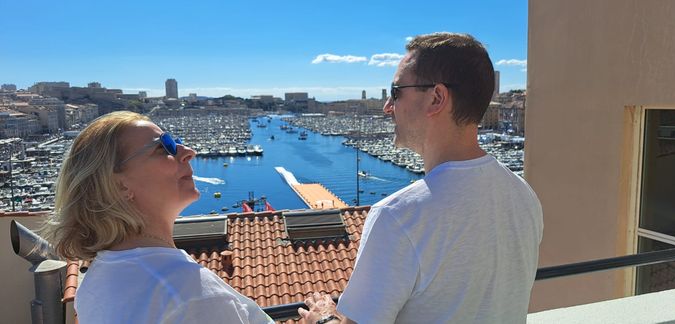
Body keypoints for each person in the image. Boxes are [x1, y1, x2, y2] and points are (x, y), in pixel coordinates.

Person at [299, 32, 543, 324]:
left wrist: (323, 318)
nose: (388, 107)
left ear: (436, 98)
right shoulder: (524, 195)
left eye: (396, 91)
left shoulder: (399, 216)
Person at [44, 111, 273, 324]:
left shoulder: (96, 282)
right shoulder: (190, 295)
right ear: (119, 185)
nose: (188, 152)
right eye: (164, 148)